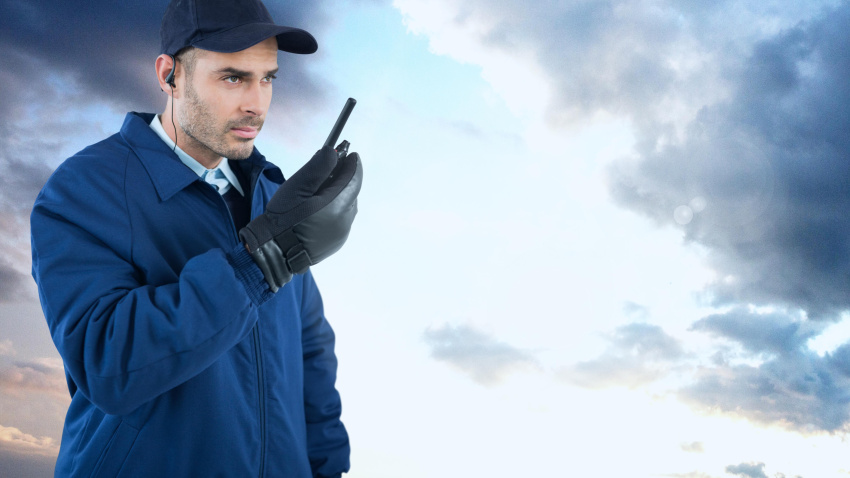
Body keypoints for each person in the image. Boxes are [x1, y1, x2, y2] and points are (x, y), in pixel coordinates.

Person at [29, 0, 360, 476]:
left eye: (268, 78)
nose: (256, 103)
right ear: (170, 76)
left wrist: (326, 470)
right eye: (233, 77)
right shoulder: (84, 189)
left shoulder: (272, 194)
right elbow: (107, 363)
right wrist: (258, 263)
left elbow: (309, 352)